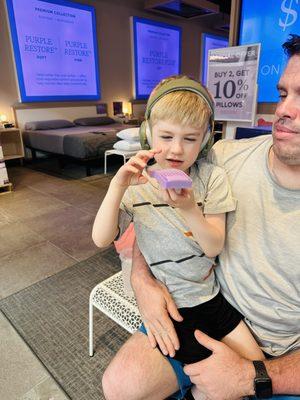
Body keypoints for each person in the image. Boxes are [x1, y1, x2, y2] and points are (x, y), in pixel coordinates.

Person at [100, 35, 300, 400]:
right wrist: (142, 281)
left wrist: (252, 376)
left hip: (281, 357)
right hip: (197, 301)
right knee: (121, 384)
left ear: (202, 137)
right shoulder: (222, 157)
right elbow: (156, 222)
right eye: (284, 93)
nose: (284, 110)